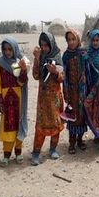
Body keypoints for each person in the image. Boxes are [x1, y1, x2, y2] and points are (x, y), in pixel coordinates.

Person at [31, 32, 65, 165]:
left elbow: (62, 78)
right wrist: (37, 58)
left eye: (46, 45)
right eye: (42, 45)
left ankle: (53, 149)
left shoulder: (57, 56)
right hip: (43, 99)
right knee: (41, 126)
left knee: (56, 124)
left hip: (55, 98)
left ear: (52, 44)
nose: (44, 48)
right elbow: (35, 75)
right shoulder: (40, 57)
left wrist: (55, 72)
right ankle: (36, 152)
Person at [0, 37, 29, 167]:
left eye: (10, 49)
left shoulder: (20, 62)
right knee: (7, 127)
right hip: (5, 99)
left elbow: (21, 82)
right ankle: (6, 155)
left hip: (18, 99)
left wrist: (23, 70)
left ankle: (19, 152)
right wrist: (0, 101)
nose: (8, 52)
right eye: (5, 49)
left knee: (19, 123)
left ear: (15, 49)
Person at [62, 28, 91, 154]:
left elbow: (88, 70)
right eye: (69, 40)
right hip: (72, 90)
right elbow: (65, 75)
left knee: (82, 116)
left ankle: (80, 140)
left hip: (82, 90)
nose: (71, 42)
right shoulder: (66, 56)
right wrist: (66, 91)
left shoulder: (83, 53)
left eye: (73, 39)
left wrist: (87, 83)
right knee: (72, 116)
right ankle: (72, 143)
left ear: (78, 39)